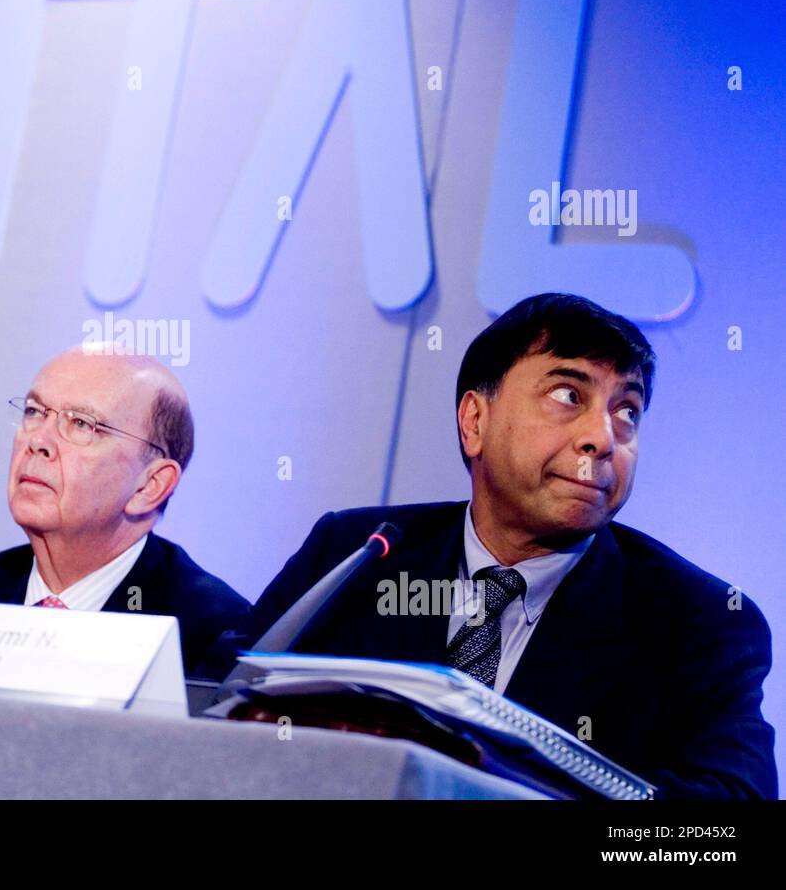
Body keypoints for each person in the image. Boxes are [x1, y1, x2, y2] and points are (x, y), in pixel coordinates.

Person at [248, 293, 775, 799]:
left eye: (627, 411)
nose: (603, 438)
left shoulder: (700, 623)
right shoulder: (355, 552)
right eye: (569, 395)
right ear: (475, 421)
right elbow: (214, 699)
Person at [0, 345, 249, 675]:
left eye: (82, 424)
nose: (38, 441)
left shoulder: (212, 637)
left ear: (150, 486)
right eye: (34, 412)